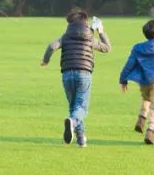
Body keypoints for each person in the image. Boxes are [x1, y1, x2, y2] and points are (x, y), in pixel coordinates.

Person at [40, 10, 111, 147]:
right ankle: (73, 122)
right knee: (81, 107)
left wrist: (45, 61)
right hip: (84, 73)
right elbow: (107, 48)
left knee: (74, 107)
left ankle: (80, 138)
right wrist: (101, 31)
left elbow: (51, 47)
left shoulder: (65, 37)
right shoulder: (90, 37)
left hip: (67, 74)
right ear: (86, 22)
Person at [119, 19, 154, 145]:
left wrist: (123, 79)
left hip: (144, 81)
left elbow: (129, 64)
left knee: (146, 98)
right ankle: (150, 131)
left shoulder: (138, 48)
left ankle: (141, 118)